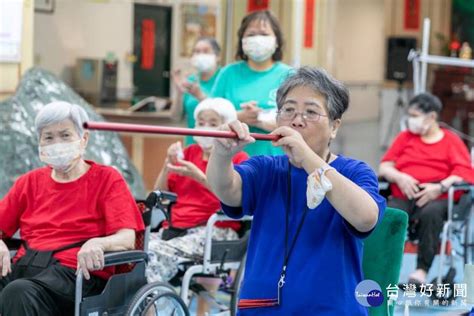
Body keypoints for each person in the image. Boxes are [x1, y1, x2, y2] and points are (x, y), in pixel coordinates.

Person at [206, 67, 386, 315]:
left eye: (311, 112)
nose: (296, 120)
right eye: (288, 110)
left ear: (334, 127)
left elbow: (366, 218)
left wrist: (308, 158)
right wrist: (222, 155)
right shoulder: (266, 168)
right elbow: (228, 190)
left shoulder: (355, 172)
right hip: (262, 308)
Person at [0, 101, 144, 315]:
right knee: (18, 289)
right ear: (39, 142)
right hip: (27, 266)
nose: (56, 143)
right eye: (48, 137)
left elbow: (127, 238)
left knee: (18, 292)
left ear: (83, 139)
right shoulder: (28, 182)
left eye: (65, 135)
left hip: (77, 274)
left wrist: (99, 243)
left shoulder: (107, 179)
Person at [147, 98, 248, 316]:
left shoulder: (238, 158)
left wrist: (199, 177)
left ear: (228, 124)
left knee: (152, 254)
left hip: (216, 231)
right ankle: (152, 306)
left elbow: (235, 198)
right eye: (201, 122)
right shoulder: (189, 152)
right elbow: (159, 194)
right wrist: (167, 165)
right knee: (135, 251)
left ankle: (162, 309)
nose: (205, 128)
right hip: (176, 229)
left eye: (213, 123)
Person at [379, 93, 474, 285]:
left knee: (431, 215)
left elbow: (464, 172)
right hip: (403, 193)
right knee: (390, 215)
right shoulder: (406, 137)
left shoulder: (451, 141)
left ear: (431, 117)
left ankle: (421, 271)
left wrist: (439, 187)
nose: (410, 121)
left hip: (437, 198)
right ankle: (382, 266)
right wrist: (400, 176)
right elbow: (384, 166)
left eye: (415, 115)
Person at [211, 10, 292, 156]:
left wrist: (260, 119)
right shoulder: (228, 74)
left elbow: (299, 122)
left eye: (264, 34)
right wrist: (237, 116)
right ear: (242, 41)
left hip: (278, 161)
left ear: (277, 41)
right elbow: (208, 116)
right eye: (251, 34)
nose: (257, 39)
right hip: (233, 161)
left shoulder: (290, 76)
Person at [170, 37, 222, 145]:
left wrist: (200, 96)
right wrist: (179, 93)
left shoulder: (224, 77)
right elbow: (175, 117)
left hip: (218, 147)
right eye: (197, 51)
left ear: (217, 56)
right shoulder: (191, 81)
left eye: (206, 51)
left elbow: (227, 114)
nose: (201, 55)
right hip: (192, 146)